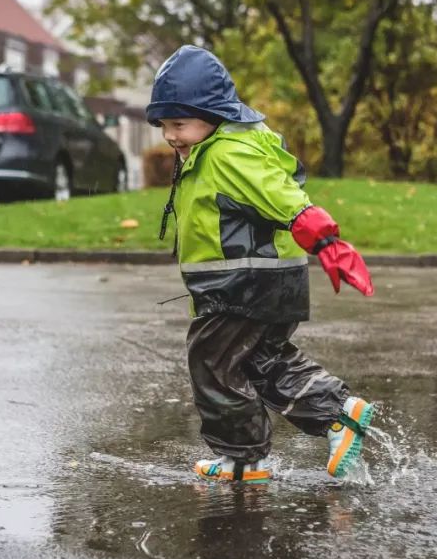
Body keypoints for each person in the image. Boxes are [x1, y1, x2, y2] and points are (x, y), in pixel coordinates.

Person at [146, 45, 375, 483]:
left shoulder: (228, 154)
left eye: (178, 123)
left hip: (241, 284)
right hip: (269, 281)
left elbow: (281, 194)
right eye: (163, 125)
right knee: (258, 361)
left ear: (213, 113)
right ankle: (338, 414)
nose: (170, 135)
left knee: (212, 362)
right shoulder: (223, 147)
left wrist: (327, 240)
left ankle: (243, 458)